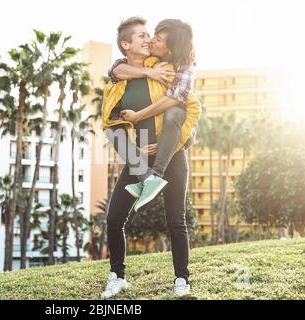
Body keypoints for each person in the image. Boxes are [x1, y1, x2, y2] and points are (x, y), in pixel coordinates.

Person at [100, 17, 201, 299]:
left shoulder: (164, 67)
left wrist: (177, 141)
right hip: (140, 154)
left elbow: (184, 105)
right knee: (114, 218)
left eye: (150, 36)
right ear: (125, 44)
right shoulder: (119, 81)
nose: (149, 40)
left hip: (171, 152)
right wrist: (133, 150)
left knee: (175, 220)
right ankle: (117, 276)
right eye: (143, 36)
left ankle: (182, 279)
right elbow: (115, 77)